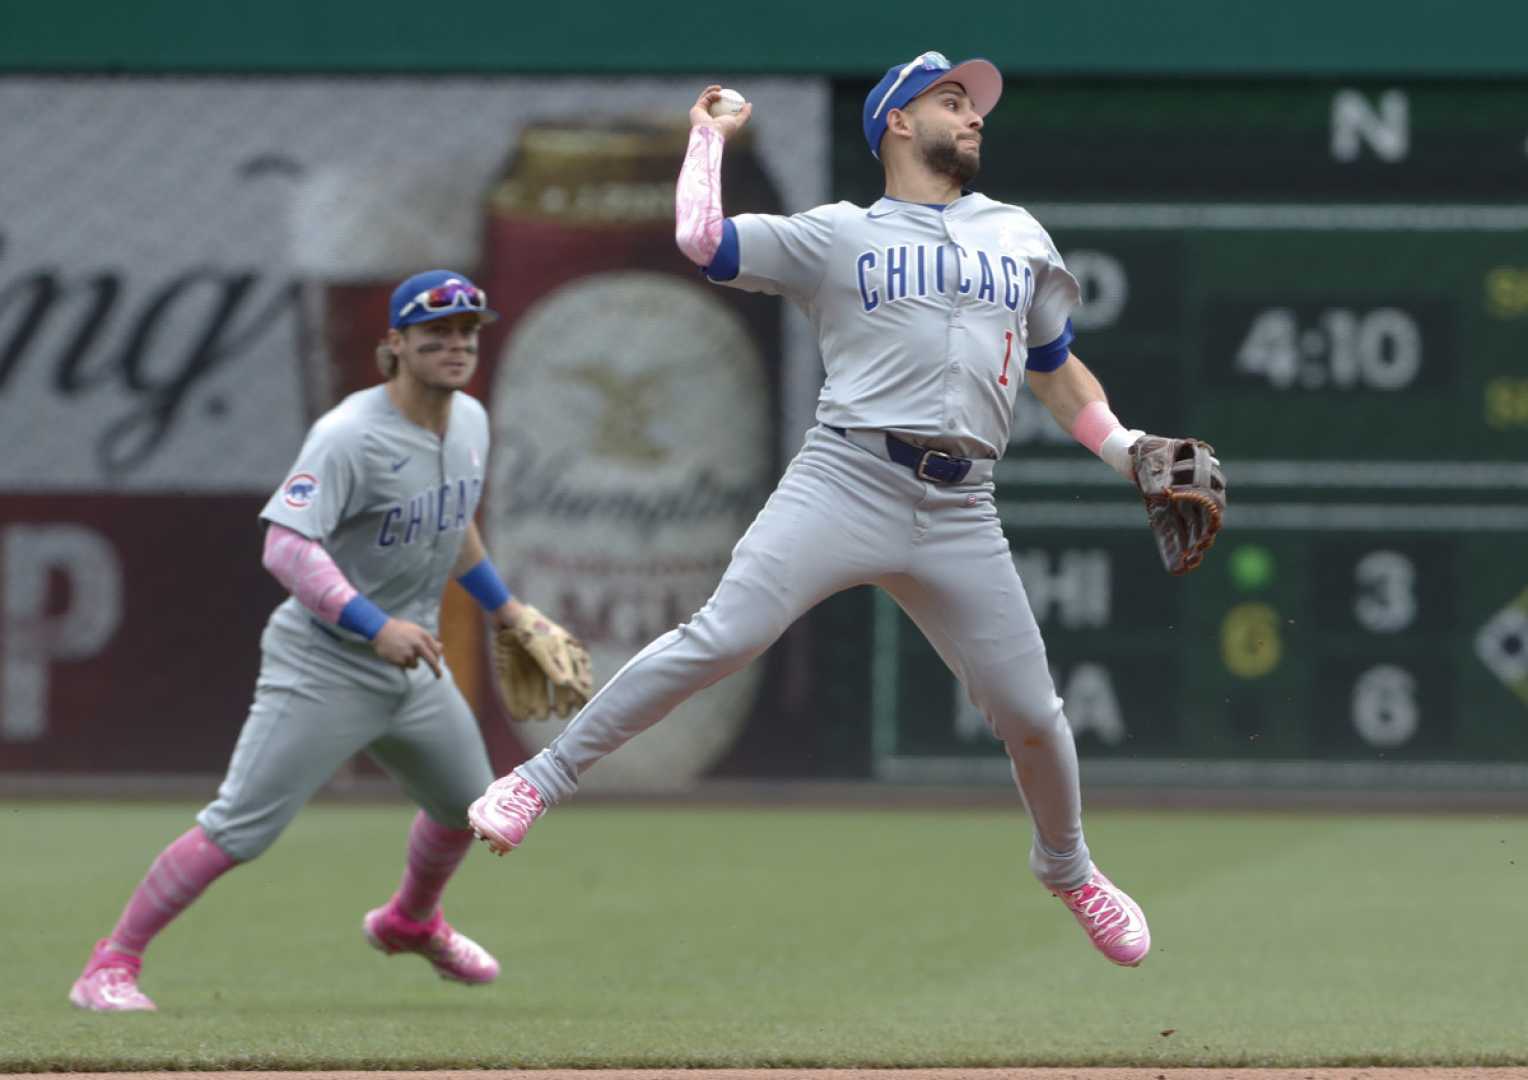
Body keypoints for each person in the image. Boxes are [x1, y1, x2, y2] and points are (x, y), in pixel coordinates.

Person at [472, 53, 1200, 967]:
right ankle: (539, 781)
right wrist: (708, 137)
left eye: (972, 104)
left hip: (962, 505)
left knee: (1033, 715)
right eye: (950, 101)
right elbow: (704, 243)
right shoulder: (838, 235)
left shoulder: (1019, 235)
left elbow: (1054, 374)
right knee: (722, 636)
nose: (972, 115)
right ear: (897, 120)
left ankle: (1069, 869)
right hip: (846, 478)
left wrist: (1128, 449)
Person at [70, 270, 583, 1011]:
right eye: (435, 332)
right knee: (238, 828)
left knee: (466, 807)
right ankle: (109, 965)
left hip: (416, 662)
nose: (456, 345)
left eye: (468, 331)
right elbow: (285, 546)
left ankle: (409, 921)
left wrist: (508, 613)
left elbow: (452, 524)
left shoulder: (469, 419)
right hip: (324, 662)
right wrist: (375, 626)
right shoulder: (349, 435)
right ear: (395, 345)